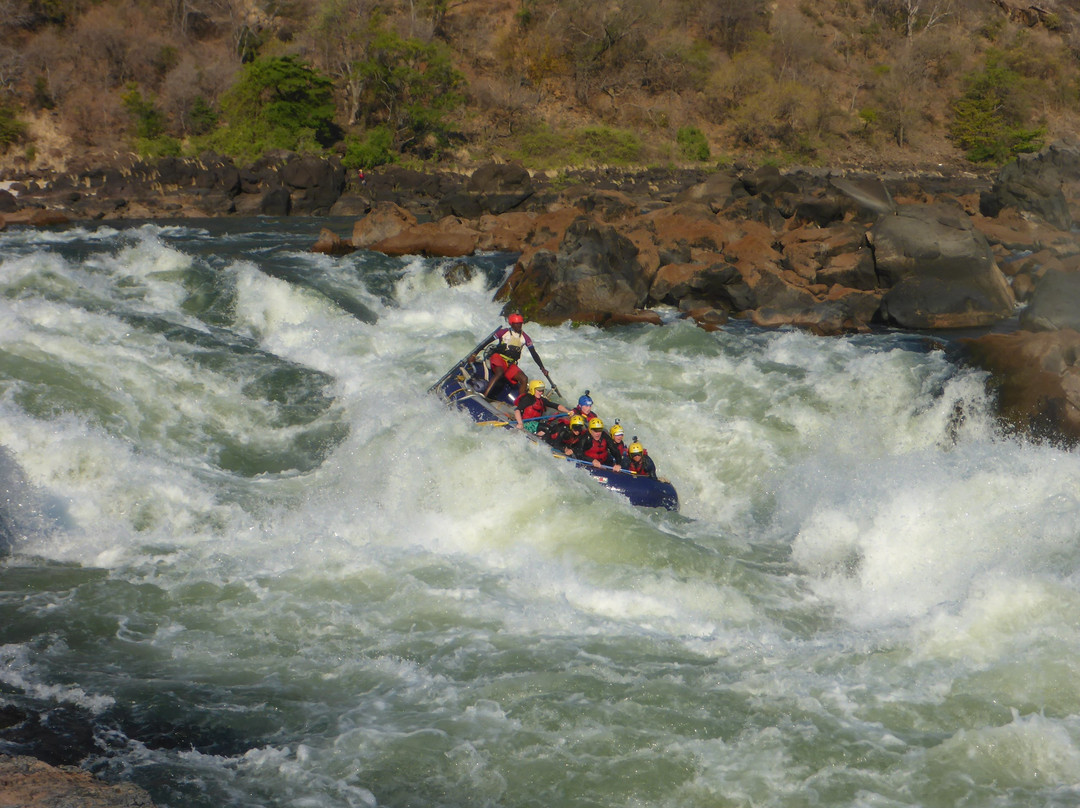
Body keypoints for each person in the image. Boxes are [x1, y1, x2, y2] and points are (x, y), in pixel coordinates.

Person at [470, 313, 551, 399]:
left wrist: (542, 368)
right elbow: (485, 342)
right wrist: (474, 354)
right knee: (500, 373)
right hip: (498, 358)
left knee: (524, 379)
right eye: (516, 323)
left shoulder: (525, 338)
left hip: (511, 364)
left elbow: (534, 353)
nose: (519, 325)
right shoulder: (503, 332)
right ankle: (485, 396)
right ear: (511, 324)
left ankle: (520, 405)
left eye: (520, 323)